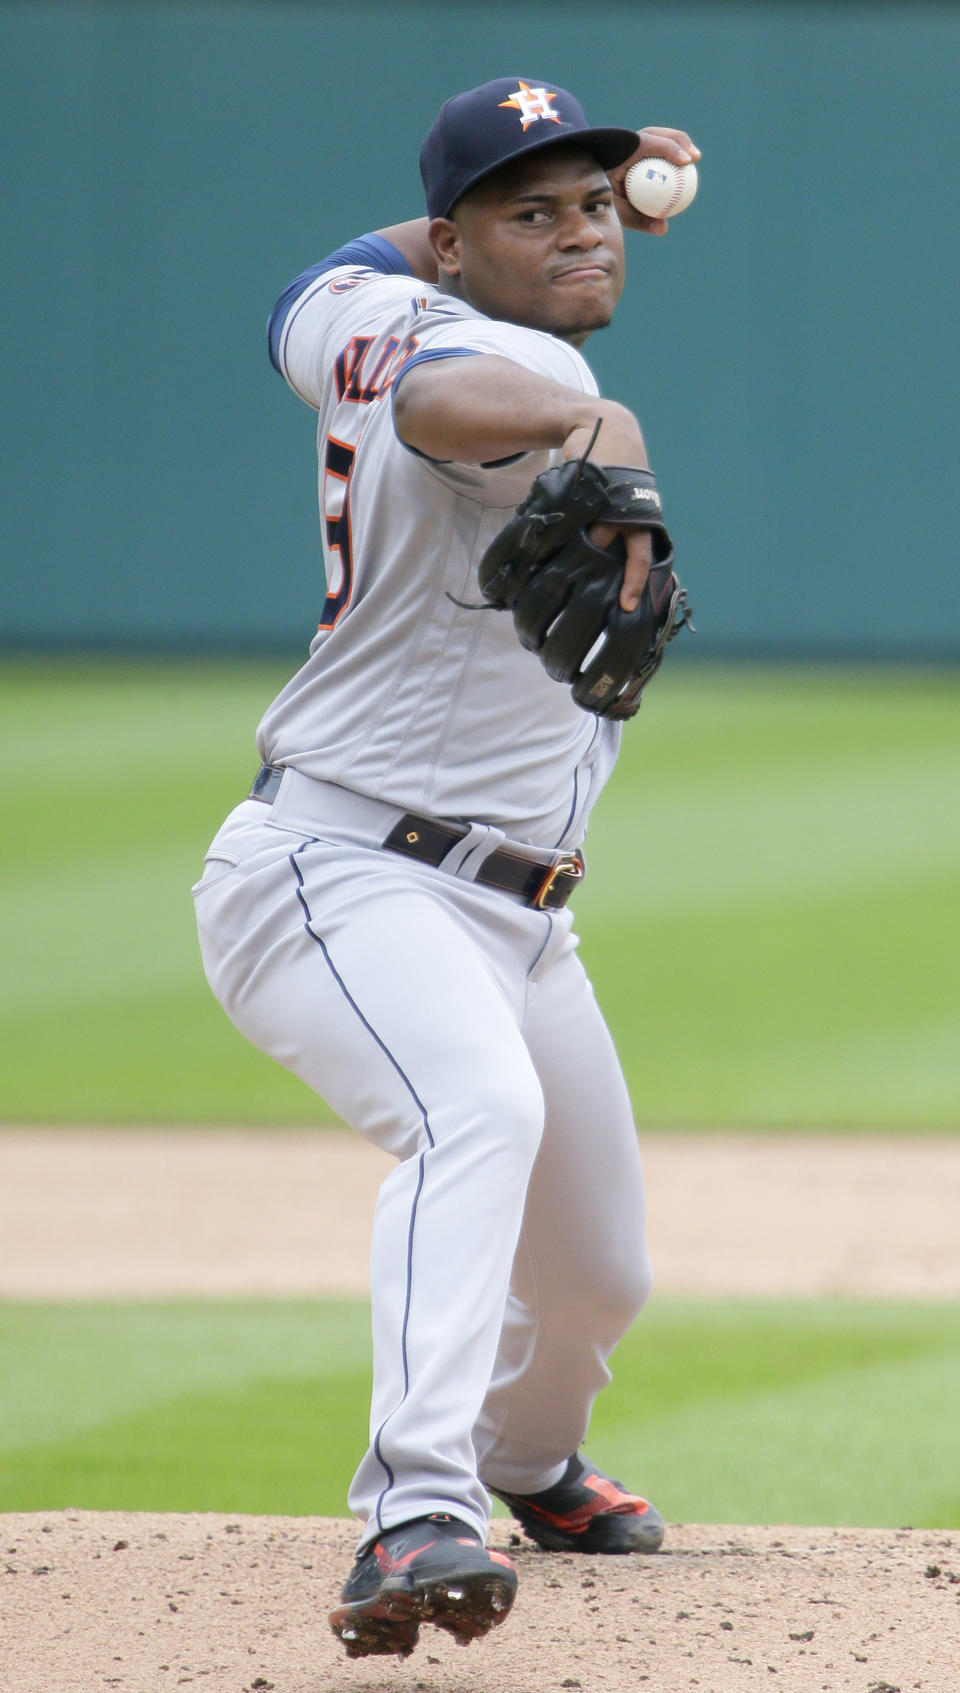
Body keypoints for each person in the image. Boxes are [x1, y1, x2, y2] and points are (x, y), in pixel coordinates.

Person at [192, 76, 699, 1661]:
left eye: (593, 208)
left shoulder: (350, 298)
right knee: (471, 1111)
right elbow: (439, 404)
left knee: (599, 1275)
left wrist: (556, 195)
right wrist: (580, 415)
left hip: (520, 915)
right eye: (528, 214)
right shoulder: (500, 361)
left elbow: (325, 281)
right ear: (457, 254)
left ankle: (523, 1460)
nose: (575, 236)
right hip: (346, 873)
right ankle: (414, 1509)